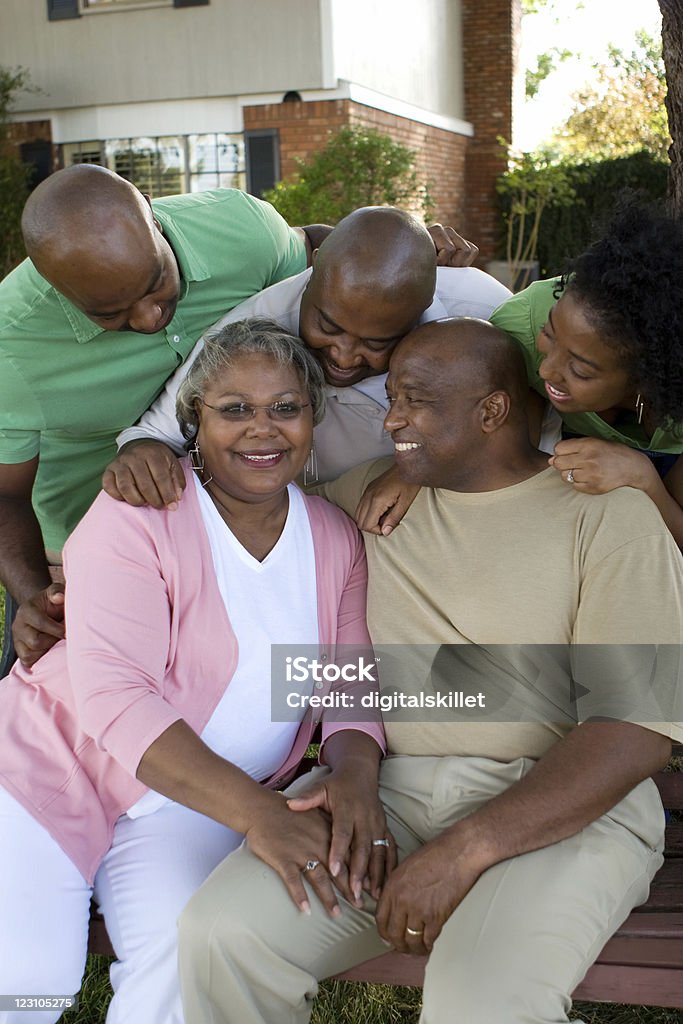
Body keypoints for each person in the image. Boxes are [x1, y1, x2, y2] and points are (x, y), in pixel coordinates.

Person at [178, 318, 683, 1024]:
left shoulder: (605, 516)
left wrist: (462, 851)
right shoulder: (360, 497)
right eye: (392, 399)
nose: (391, 421)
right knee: (222, 935)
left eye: (413, 402)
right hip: (386, 792)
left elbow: (634, 734)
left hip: (567, 807)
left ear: (490, 411)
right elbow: (216, 537)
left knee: (481, 1000)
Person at [0, 319, 387, 1024]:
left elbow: (349, 688)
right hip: (50, 769)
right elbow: (116, 699)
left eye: (284, 408)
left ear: (312, 416)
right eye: (234, 409)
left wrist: (356, 774)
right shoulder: (141, 512)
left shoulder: (332, 537)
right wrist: (261, 814)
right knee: (28, 983)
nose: (261, 431)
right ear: (194, 421)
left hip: (191, 803)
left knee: (187, 972)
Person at [3, 173, 476, 667]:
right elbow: (3, 495)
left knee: (224, 673)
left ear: (153, 216)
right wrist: (37, 594)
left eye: (155, 284)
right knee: (53, 696)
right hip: (71, 544)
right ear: (52, 285)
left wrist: (412, 255)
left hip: (213, 526)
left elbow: (324, 262)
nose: (148, 319)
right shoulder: (9, 348)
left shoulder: (240, 228)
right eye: (109, 314)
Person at [104, 206, 516, 511]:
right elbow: (156, 435)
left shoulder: (483, 309)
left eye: (378, 342)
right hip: (309, 523)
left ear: (425, 303)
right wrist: (141, 454)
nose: (343, 355)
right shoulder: (253, 324)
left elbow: (530, 435)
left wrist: (421, 470)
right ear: (315, 268)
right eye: (328, 325)